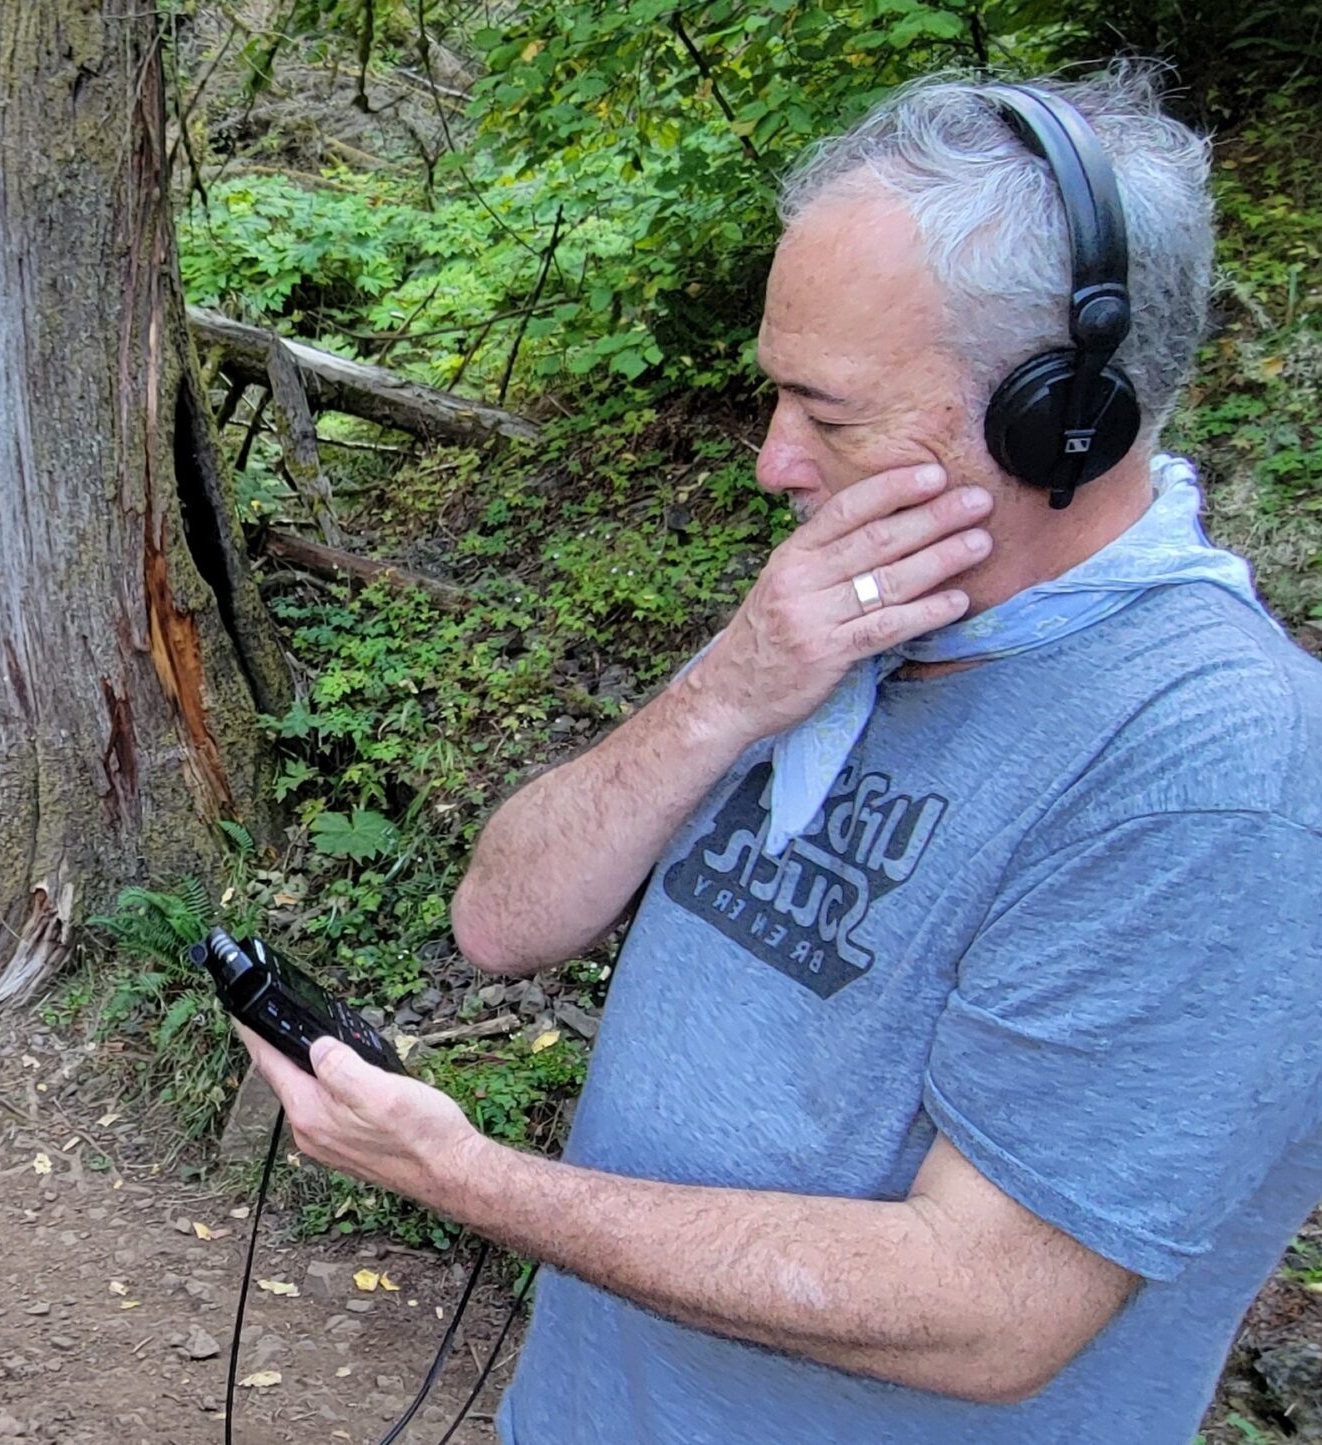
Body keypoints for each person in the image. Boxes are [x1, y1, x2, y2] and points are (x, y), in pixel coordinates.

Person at [234, 69, 1322, 1444]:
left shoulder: (1215, 768)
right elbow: (500, 920)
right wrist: (727, 689)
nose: (771, 463)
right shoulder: (841, 618)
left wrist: (475, 1180)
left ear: (1062, 419)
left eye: (832, 412)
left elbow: (990, 1308)